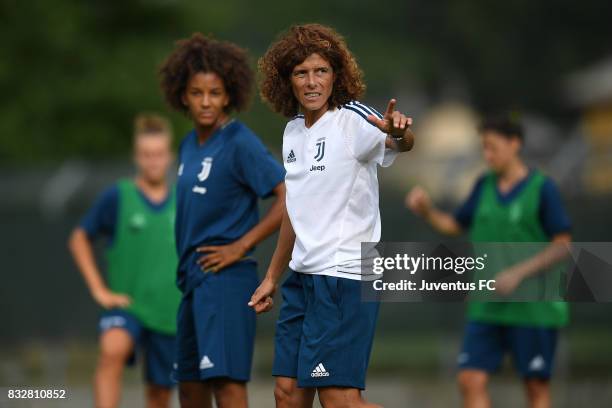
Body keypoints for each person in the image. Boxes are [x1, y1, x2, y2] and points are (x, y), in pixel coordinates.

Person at [249, 23, 415, 408]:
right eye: (301, 72)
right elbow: (296, 207)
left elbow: (399, 142)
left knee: (339, 398)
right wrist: (273, 276)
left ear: (336, 75)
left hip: (345, 275)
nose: (311, 81)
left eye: (320, 71)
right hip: (302, 277)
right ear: (286, 80)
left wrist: (402, 133)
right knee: (288, 395)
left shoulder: (352, 120)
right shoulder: (292, 132)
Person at [406, 114, 572, 408]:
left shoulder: (542, 188)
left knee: (535, 388)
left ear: (515, 144)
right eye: (483, 147)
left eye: (492, 146)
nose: (487, 154)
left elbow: (562, 246)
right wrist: (427, 210)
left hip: (534, 308)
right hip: (487, 306)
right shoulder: (483, 185)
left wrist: (517, 274)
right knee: (470, 379)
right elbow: (454, 225)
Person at [158, 33, 286, 408]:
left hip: (226, 281)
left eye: (214, 92)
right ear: (183, 96)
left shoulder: (238, 142)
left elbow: (286, 197)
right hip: (193, 282)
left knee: (227, 386)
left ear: (228, 95)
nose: (206, 101)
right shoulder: (187, 145)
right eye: (197, 93)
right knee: (190, 389)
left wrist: (241, 245)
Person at [68, 113, 180, 408]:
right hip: (128, 305)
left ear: (169, 157)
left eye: (158, 154)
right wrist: (98, 289)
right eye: (146, 154)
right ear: (136, 157)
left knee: (159, 394)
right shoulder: (118, 196)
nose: (152, 160)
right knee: (111, 349)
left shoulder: (183, 199)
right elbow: (79, 238)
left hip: (169, 311)